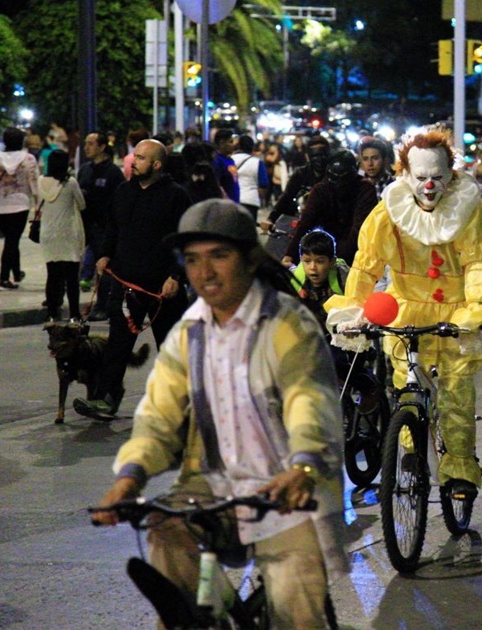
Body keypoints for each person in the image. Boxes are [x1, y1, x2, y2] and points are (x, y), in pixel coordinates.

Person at [92, 199, 347, 628]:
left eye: (219, 256)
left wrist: (302, 468)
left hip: (288, 494)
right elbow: (158, 415)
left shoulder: (288, 325)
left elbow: (310, 401)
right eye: (192, 260)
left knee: (294, 610)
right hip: (210, 488)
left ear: (249, 258)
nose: (204, 273)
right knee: (167, 545)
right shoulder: (189, 333)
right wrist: (129, 477)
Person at [326, 128, 482, 498]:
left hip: (455, 310)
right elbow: (366, 266)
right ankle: (410, 452)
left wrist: (475, 305)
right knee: (406, 388)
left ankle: (459, 468)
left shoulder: (467, 207)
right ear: (406, 175)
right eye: (422, 177)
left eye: (438, 177)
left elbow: (477, 260)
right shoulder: (389, 210)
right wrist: (356, 307)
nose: (429, 186)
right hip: (405, 308)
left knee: (456, 394)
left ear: (452, 175)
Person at [74, 139, 192, 420]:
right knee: (117, 346)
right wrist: (104, 255)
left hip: (164, 290)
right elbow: (113, 227)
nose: (133, 162)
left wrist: (177, 276)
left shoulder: (176, 196)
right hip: (126, 285)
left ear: (157, 165)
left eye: (140, 158)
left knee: (172, 348)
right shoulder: (124, 192)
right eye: (134, 157)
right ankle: (106, 399)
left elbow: (188, 241)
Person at [280, 150, 376, 267]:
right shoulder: (320, 190)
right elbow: (305, 223)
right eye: (336, 181)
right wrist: (290, 254)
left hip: (357, 254)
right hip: (326, 252)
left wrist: (336, 259)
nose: (340, 186)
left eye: (344, 181)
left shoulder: (365, 189)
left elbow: (360, 229)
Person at [0, 127, 39, 290]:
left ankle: (16, 272)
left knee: (11, 239)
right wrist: (38, 205)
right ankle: (4, 277)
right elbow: (34, 182)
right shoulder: (28, 159)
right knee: (12, 241)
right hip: (21, 204)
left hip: (1, 205)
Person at [77, 131, 126, 317]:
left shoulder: (112, 172)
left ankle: (103, 306)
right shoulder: (85, 169)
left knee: (103, 267)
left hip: (104, 226)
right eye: (86, 144)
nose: (86, 148)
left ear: (102, 147)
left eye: (91, 144)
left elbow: (119, 199)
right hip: (86, 226)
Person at [37, 150, 86, 322]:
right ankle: (74, 313)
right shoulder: (70, 182)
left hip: (48, 233)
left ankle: (51, 312)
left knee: (53, 275)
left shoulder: (41, 181)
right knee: (71, 278)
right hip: (67, 233)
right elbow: (81, 204)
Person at [291, 228, 349, 330]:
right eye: (307, 261)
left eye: (320, 261)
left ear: (332, 262)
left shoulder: (344, 278)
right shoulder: (295, 280)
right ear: (301, 260)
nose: (313, 267)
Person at [266, 134, 331, 223]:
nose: (319, 159)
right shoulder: (301, 174)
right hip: (305, 221)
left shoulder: (335, 173)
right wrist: (271, 219)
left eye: (323, 155)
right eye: (315, 156)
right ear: (308, 157)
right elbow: (286, 197)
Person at [232, 135, 269, 219]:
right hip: (251, 201)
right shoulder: (257, 162)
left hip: (232, 201)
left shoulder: (230, 160)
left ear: (238, 146)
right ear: (252, 148)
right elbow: (264, 183)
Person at [356, 137, 394, 201]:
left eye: (375, 158)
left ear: (385, 160)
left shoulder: (394, 185)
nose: (370, 164)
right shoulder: (359, 186)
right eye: (365, 159)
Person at [211, 128, 240, 203]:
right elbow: (217, 184)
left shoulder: (231, 160)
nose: (233, 145)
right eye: (230, 142)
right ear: (222, 143)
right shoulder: (217, 161)